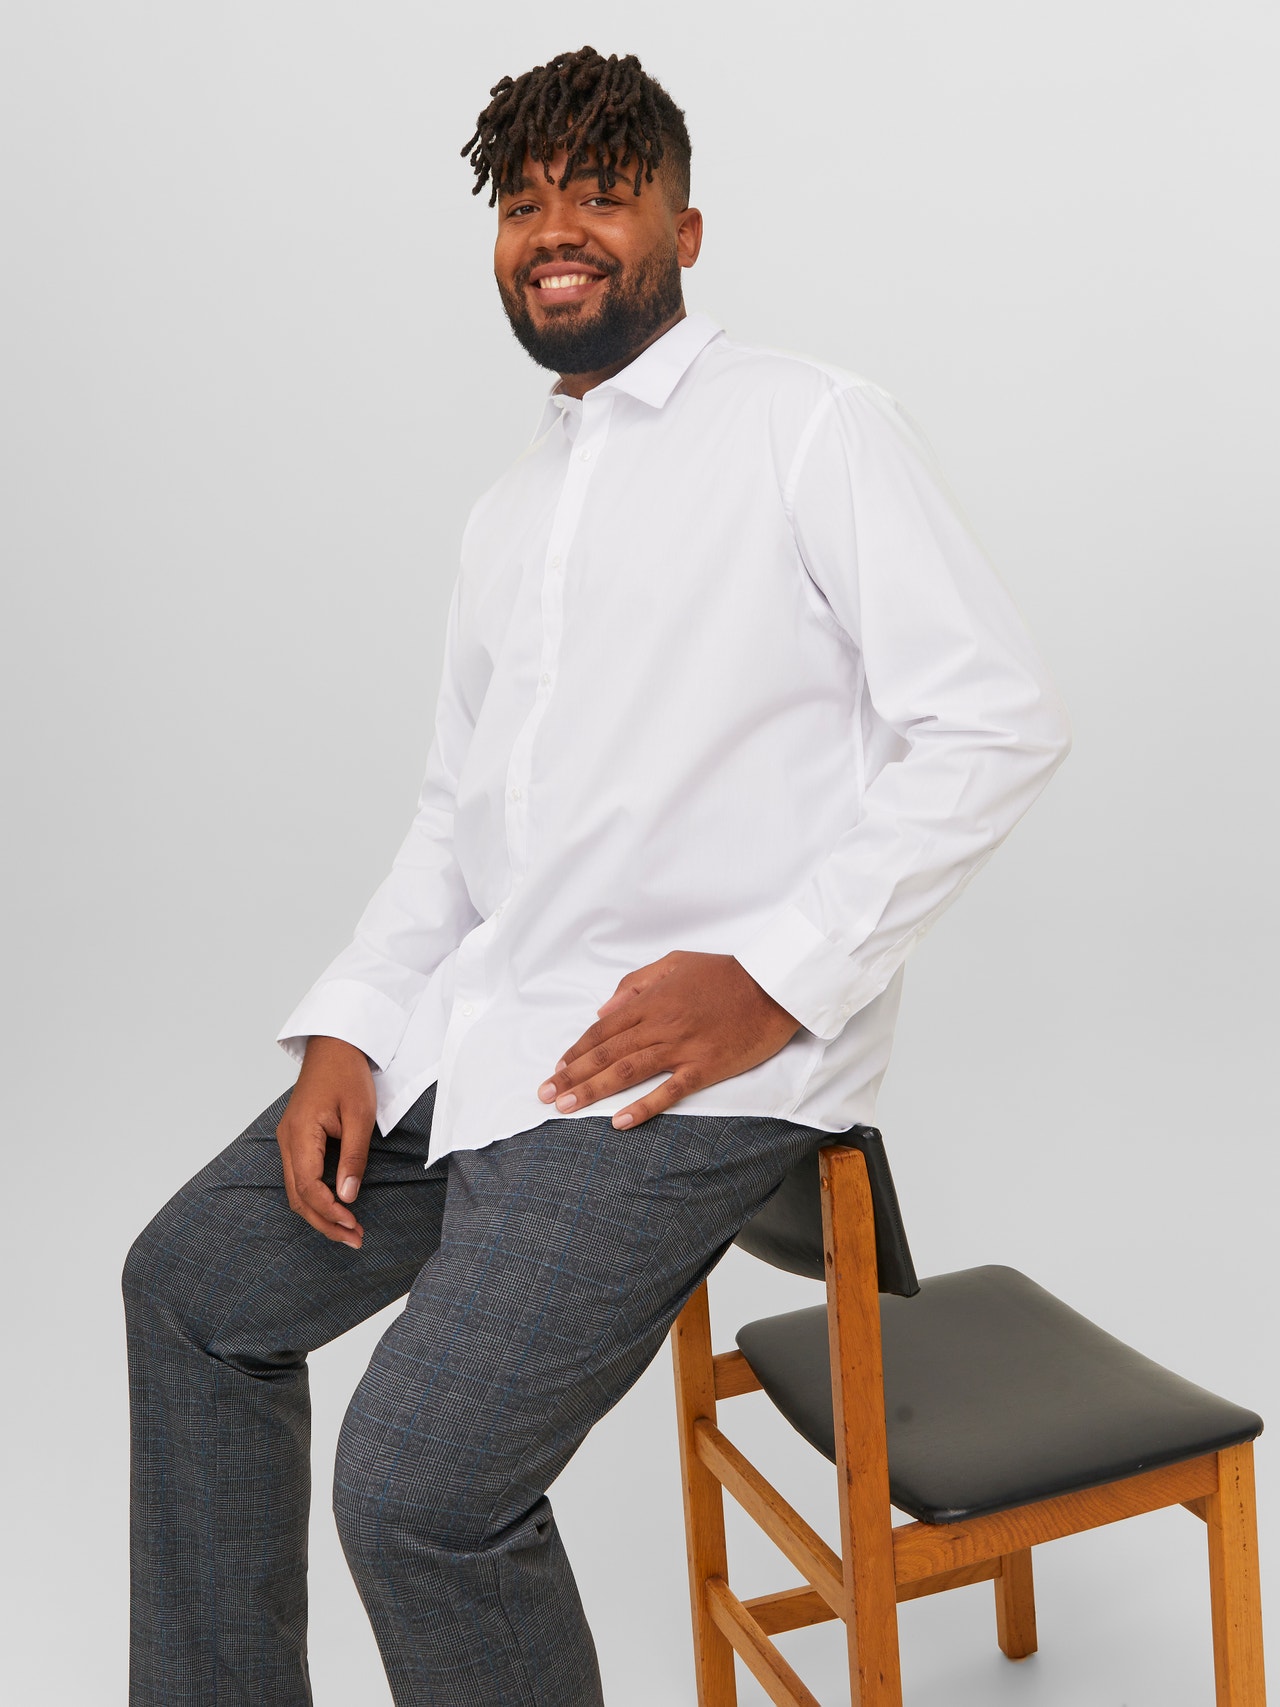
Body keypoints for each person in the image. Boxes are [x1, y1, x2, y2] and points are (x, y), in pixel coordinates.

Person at [122, 44, 1071, 1707]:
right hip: (490, 1032)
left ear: (684, 233)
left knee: (417, 1495)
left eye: (603, 194)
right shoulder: (510, 514)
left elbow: (996, 720)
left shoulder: (809, 427)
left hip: (682, 1085)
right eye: (524, 202)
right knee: (192, 1290)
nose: (555, 231)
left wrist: (770, 977)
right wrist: (352, 1025)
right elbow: (455, 818)